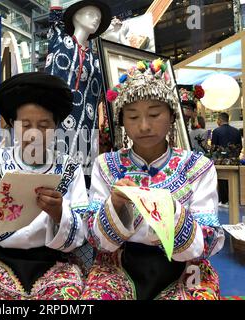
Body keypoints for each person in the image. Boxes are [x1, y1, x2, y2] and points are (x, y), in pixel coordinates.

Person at [82, 59, 225, 300]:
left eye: (154, 114)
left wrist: (173, 214)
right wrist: (115, 206)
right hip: (119, 265)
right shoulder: (106, 165)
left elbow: (208, 239)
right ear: (122, 122)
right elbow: (96, 240)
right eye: (133, 117)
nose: (144, 126)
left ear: (171, 116)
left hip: (186, 267)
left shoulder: (198, 167)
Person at [0, 72, 88, 300]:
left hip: (54, 263)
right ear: (13, 125)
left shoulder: (70, 169)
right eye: (26, 125)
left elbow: (83, 230)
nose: (34, 134)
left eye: (44, 125)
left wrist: (59, 214)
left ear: (56, 126)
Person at [45, 0, 111, 185]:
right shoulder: (59, 40)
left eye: (98, 18)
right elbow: (54, 13)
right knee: (53, 168)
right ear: (75, 16)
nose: (95, 20)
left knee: (82, 177)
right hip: (58, 118)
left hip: (87, 125)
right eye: (90, 14)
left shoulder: (95, 58)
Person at [212, 112, 243, 205]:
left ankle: (224, 200)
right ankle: (234, 198)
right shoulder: (236, 131)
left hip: (221, 161)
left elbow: (214, 147)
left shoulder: (216, 131)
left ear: (220, 120)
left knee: (221, 179)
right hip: (234, 161)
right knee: (235, 179)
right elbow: (240, 147)